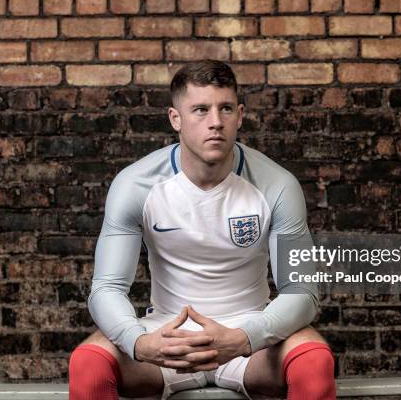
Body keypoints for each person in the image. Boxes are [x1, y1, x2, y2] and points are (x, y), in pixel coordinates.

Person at [68, 60, 336, 399]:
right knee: (88, 364)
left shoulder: (277, 185)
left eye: (225, 109)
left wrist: (243, 338)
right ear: (175, 118)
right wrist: (139, 342)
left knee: (313, 362)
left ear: (239, 115)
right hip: (167, 337)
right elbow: (106, 288)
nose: (215, 122)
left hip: (248, 337)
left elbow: (302, 291)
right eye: (200, 110)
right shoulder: (136, 184)